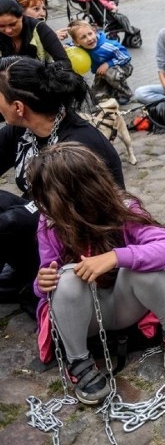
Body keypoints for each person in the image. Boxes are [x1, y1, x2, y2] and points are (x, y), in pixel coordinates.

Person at [30, 143, 165, 405]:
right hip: (85, 318)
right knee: (67, 278)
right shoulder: (49, 225)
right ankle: (79, 360)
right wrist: (41, 283)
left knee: (145, 268)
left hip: (127, 303)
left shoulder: (123, 209)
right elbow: (46, 282)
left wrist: (116, 257)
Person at [0, 57, 124, 316]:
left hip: (84, 237)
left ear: (19, 106)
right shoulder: (24, 130)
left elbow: (75, 216)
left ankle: (34, 280)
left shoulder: (79, 143)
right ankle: (24, 274)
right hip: (46, 220)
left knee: (9, 221)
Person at [68, 20, 133, 104]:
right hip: (101, 72)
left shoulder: (107, 45)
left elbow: (126, 57)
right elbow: (71, 44)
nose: (89, 39)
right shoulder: (80, 47)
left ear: (94, 31)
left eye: (90, 34)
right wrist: (65, 47)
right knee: (97, 98)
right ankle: (110, 91)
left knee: (110, 74)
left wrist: (108, 64)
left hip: (123, 66)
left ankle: (126, 94)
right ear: (77, 42)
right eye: (83, 37)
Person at [0, 0, 70, 70]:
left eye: (13, 24)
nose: (8, 30)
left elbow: (64, 62)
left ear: (21, 16)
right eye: (1, 26)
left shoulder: (40, 28)